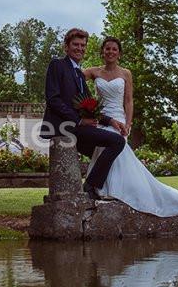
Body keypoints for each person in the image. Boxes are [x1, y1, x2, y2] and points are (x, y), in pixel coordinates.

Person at [82, 37, 178, 217]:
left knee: (119, 154)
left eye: (114, 49)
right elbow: (73, 80)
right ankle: (101, 188)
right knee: (102, 150)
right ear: (102, 51)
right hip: (103, 118)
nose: (110, 52)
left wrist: (128, 123)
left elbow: (128, 101)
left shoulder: (125, 73)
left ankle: (110, 188)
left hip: (119, 119)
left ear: (119, 53)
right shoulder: (93, 72)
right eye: (107, 49)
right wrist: (88, 108)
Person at [40, 28, 126, 200]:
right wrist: (79, 120)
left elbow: (89, 104)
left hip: (77, 126)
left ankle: (109, 190)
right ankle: (92, 185)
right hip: (64, 126)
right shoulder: (57, 65)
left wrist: (110, 121)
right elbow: (53, 99)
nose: (80, 48)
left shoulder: (78, 73)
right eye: (75, 45)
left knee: (112, 142)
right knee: (116, 141)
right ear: (66, 47)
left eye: (83, 45)